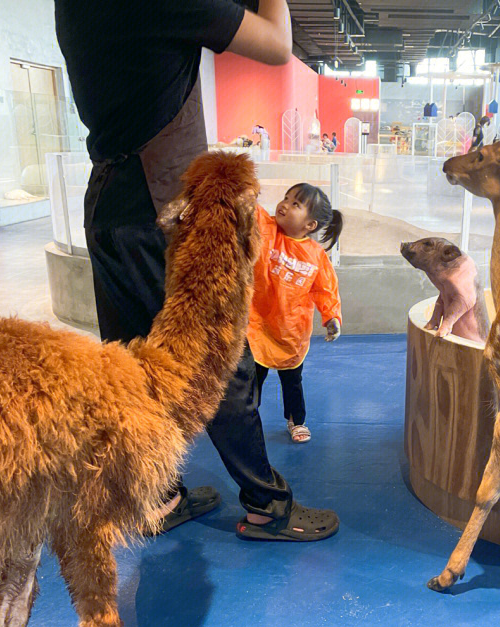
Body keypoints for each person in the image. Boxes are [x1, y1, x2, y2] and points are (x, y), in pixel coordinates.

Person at [56, 0, 340, 541]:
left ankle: (156, 499)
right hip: (163, 208)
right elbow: (278, 44)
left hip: (109, 204)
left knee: (134, 361)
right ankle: (265, 505)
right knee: (217, 361)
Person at [249, 184, 342, 446]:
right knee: (251, 380)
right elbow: (251, 210)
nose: (284, 205)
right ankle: (246, 421)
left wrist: (331, 317)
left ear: (310, 225)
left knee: (292, 382)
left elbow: (326, 290)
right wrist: (245, 188)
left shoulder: (315, 255)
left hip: (291, 332)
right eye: (286, 198)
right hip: (257, 325)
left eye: (295, 204)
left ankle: (296, 420)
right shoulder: (269, 230)